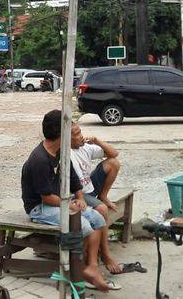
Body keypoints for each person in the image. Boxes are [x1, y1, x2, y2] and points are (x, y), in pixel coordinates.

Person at [21, 110, 110, 292]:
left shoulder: (61, 151)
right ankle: (77, 268)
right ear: (61, 134)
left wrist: (79, 197)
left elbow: (72, 176)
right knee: (83, 225)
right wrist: (70, 204)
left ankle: (90, 266)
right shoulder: (39, 159)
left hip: (59, 201)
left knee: (98, 219)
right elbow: (46, 197)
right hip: (40, 207)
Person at [70, 123, 124, 274]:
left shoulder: (84, 147)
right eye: (76, 134)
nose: (81, 136)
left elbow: (114, 153)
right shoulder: (66, 153)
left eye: (80, 132)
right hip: (79, 193)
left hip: (90, 187)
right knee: (102, 209)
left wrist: (97, 141)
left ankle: (103, 195)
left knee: (113, 163)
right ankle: (106, 255)